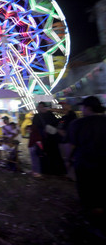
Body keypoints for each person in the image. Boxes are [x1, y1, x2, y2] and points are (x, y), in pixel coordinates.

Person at [68, 96, 106, 237]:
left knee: (89, 196)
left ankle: (96, 226)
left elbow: (72, 146)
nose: (81, 110)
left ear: (88, 108)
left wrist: (68, 160)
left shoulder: (77, 124)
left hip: (85, 165)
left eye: (83, 107)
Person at [32, 102, 66, 176]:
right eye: (39, 107)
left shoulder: (49, 114)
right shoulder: (37, 116)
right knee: (45, 154)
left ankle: (56, 170)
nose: (40, 108)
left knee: (54, 153)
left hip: (51, 138)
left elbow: (56, 123)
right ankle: (47, 170)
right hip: (43, 138)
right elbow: (35, 127)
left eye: (42, 107)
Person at [56, 102, 77, 180]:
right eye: (61, 106)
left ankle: (73, 176)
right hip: (62, 141)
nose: (62, 107)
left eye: (64, 105)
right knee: (65, 158)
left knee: (70, 158)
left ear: (69, 106)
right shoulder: (64, 117)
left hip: (68, 141)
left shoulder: (72, 116)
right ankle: (69, 175)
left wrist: (64, 133)